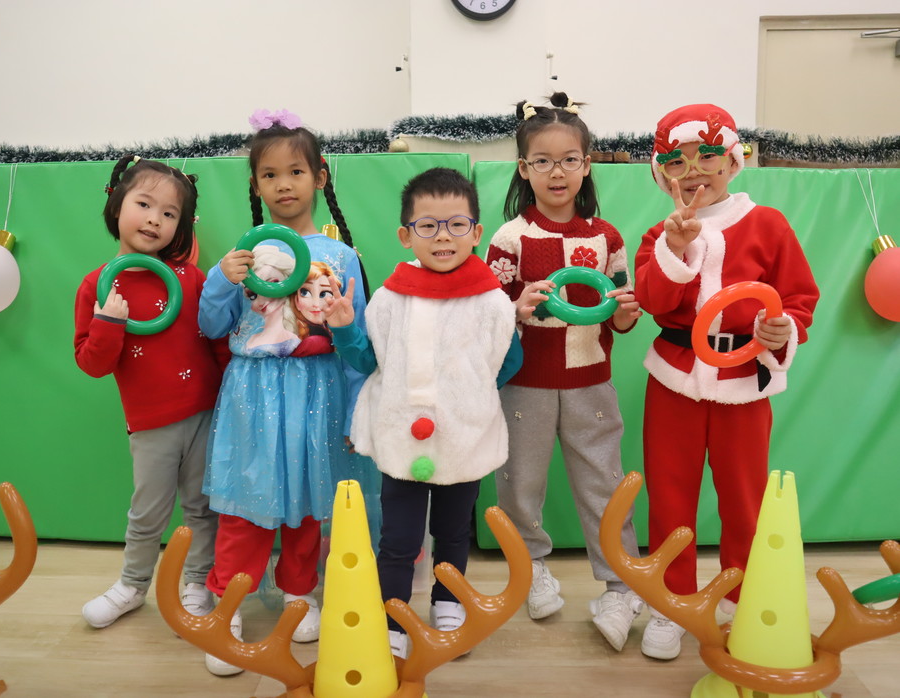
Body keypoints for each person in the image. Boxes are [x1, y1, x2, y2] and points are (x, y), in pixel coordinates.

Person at [634, 104, 819, 660]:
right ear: (662, 174)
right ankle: (671, 603)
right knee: (669, 495)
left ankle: (744, 601)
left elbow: (798, 298)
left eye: (708, 156)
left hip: (744, 382)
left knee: (745, 498)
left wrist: (781, 328)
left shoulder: (769, 225)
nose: (694, 170)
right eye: (677, 161)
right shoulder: (659, 233)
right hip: (674, 381)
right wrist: (673, 248)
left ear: (733, 162)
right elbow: (652, 300)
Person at [197, 108, 378, 677]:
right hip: (253, 394)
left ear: (319, 177)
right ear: (255, 185)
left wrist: (356, 411)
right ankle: (227, 605)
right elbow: (210, 324)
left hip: (317, 391)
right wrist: (221, 276)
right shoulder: (243, 256)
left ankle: (299, 595)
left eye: (295, 172)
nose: (284, 184)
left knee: (308, 499)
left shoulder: (340, 256)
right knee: (245, 505)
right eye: (270, 174)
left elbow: (355, 341)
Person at [324, 167, 526, 660]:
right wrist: (346, 328)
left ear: (476, 233)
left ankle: (448, 602)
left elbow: (507, 362)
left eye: (457, 225)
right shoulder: (389, 299)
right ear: (406, 235)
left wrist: (469, 401)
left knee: (453, 533)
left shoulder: (492, 301)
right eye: (428, 226)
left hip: (463, 440)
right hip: (401, 439)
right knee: (398, 538)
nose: (443, 237)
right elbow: (370, 361)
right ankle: (393, 616)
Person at [484, 93, 644, 653]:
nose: (558, 172)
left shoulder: (607, 238)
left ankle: (621, 586)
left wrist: (625, 313)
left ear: (587, 165)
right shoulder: (508, 238)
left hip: (590, 383)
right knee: (519, 483)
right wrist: (516, 308)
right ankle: (531, 569)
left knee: (604, 484)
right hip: (524, 383)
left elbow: (618, 316)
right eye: (544, 161)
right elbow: (488, 315)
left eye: (570, 159)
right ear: (524, 169)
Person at [74, 155, 225, 630]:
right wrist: (108, 323)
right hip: (150, 423)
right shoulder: (97, 285)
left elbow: (219, 340)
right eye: (144, 204)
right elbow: (92, 363)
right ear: (117, 204)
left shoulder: (191, 278)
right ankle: (133, 586)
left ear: (181, 225)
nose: (155, 219)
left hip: (205, 414)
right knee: (147, 513)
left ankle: (198, 583)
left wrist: (232, 400)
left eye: (169, 213)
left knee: (204, 508)